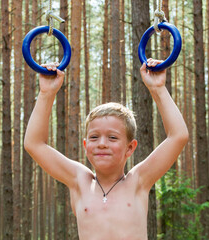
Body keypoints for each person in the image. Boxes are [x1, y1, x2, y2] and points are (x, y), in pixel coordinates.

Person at [24, 58, 189, 240]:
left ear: (130, 148)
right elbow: (34, 143)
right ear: (86, 146)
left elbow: (178, 135)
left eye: (112, 137)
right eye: (94, 137)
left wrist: (158, 89)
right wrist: (47, 93)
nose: (102, 143)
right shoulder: (79, 181)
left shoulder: (138, 181)